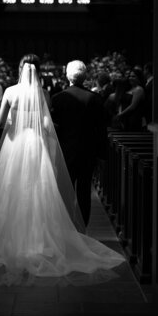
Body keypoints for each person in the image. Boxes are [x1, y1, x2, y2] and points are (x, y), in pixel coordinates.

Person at [0, 53, 124, 287]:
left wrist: (16, 122)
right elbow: (48, 125)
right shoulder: (44, 94)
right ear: (37, 72)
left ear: (20, 70)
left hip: (15, 144)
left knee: (11, 188)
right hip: (35, 144)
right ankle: (40, 239)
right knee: (39, 189)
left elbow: (0, 123)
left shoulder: (10, 92)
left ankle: (11, 237)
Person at [51, 60, 108, 226]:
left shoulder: (58, 99)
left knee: (64, 192)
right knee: (84, 193)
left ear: (67, 76)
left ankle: (65, 228)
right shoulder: (95, 98)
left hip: (64, 152)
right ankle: (83, 230)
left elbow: (53, 129)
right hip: (87, 152)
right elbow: (101, 130)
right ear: (85, 77)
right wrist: (102, 155)